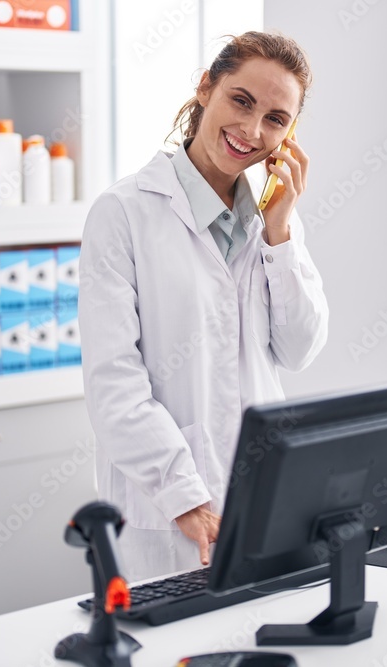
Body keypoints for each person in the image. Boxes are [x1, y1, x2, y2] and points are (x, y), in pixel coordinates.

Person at [79, 32, 328, 582]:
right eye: (241, 101)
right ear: (205, 87)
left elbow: (298, 348)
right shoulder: (123, 214)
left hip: (262, 502)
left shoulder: (272, 220)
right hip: (164, 517)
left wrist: (281, 231)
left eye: (276, 119)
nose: (252, 131)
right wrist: (183, 495)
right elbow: (114, 382)